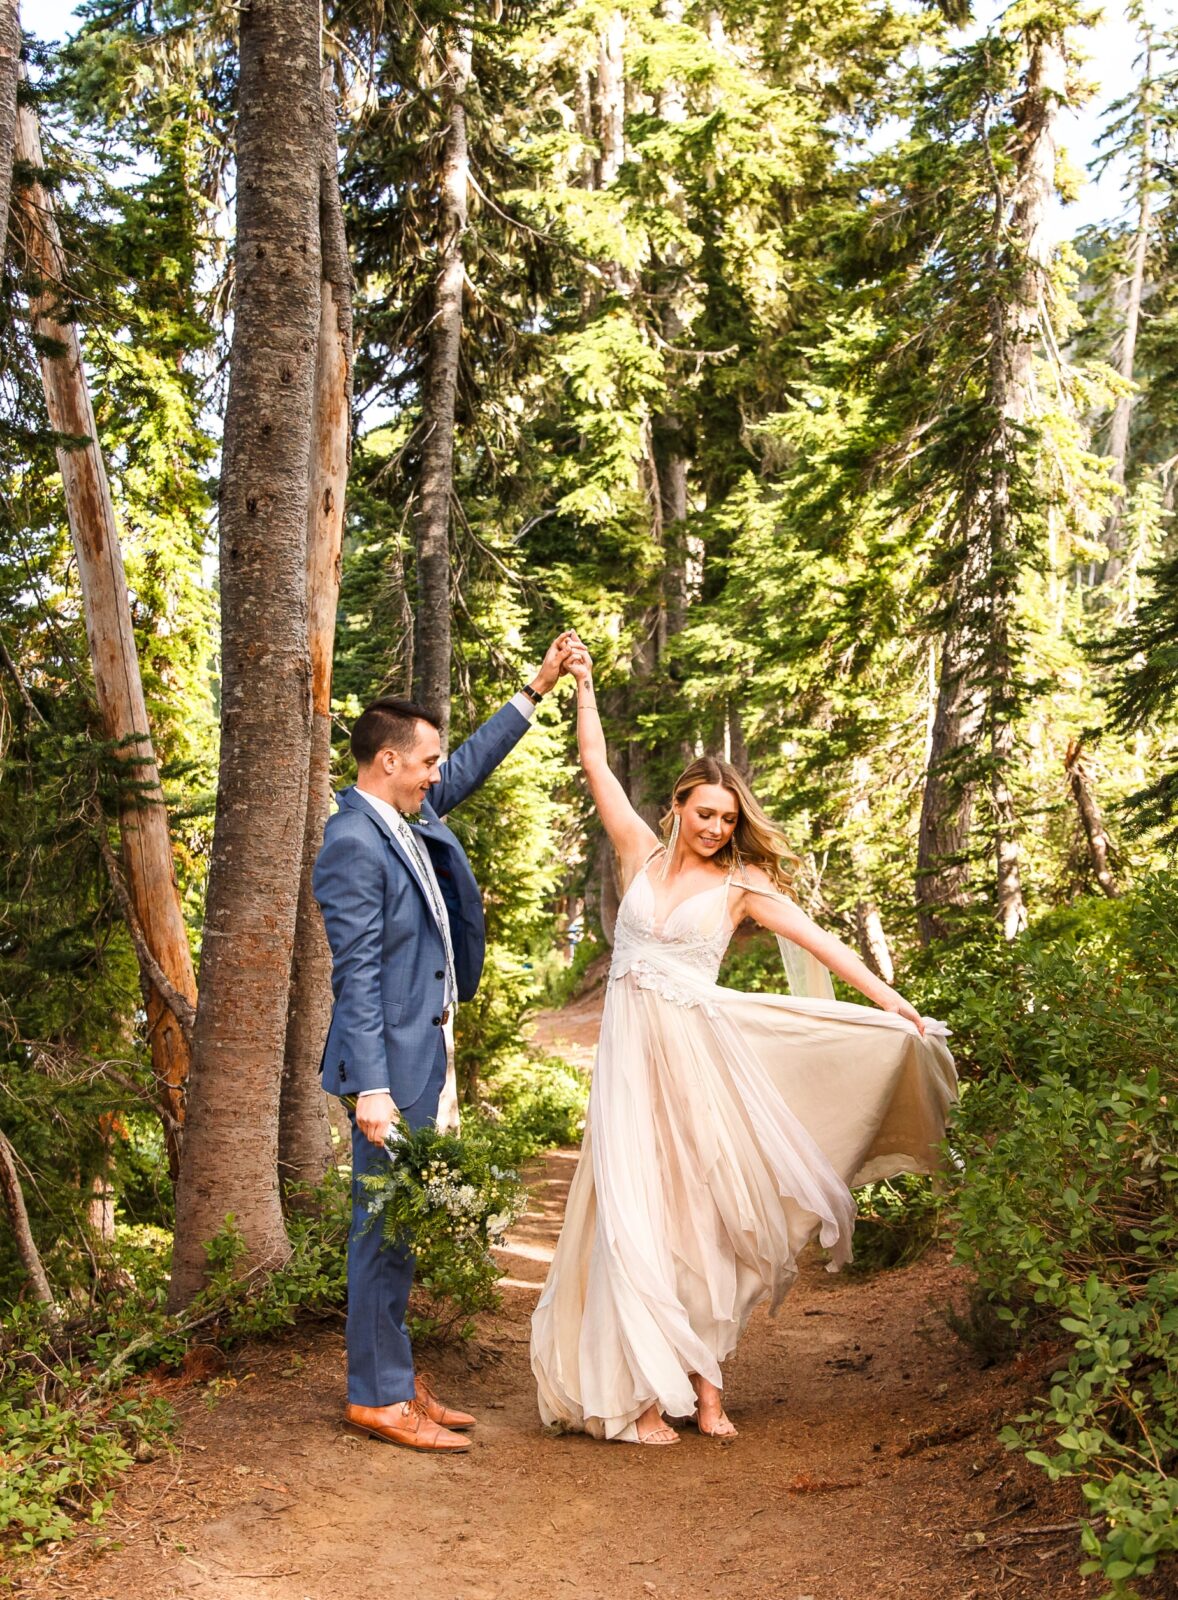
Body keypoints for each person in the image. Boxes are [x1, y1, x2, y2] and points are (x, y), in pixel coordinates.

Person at [530, 639, 957, 1445]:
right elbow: (596, 766)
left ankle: (709, 1389)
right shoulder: (640, 855)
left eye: (728, 820)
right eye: (706, 814)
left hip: (699, 1068)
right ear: (681, 804)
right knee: (635, 1215)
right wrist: (580, 684)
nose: (717, 829)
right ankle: (647, 1397)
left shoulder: (742, 887)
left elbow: (825, 944)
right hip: (628, 1071)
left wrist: (893, 1002)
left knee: (708, 1219)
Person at [314, 633, 574, 1453]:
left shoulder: (402, 813)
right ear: (388, 761)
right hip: (390, 1069)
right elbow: (354, 977)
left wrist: (534, 691)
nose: (437, 773)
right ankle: (375, 1396)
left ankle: (393, 1374)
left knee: (401, 1227)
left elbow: (465, 771)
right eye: (425, 761)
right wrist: (371, 1089)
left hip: (425, 1056)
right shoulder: (352, 843)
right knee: (381, 1228)